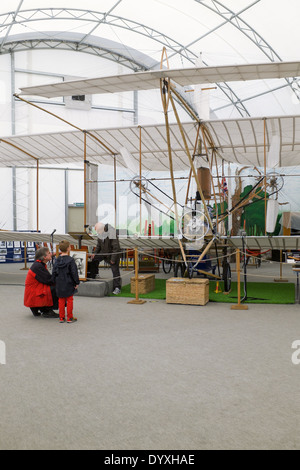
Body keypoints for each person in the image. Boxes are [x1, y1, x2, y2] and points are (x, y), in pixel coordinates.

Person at [24, 247, 59, 318]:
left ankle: (36, 308)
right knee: (56, 288)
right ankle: (47, 310)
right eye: (49, 253)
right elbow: (49, 280)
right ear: (44, 257)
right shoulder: (38, 266)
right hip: (34, 290)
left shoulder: (38, 264)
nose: (51, 254)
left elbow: (46, 279)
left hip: (34, 289)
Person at [88, 222, 122, 294]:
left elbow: (116, 248)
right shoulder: (100, 233)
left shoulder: (112, 232)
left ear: (103, 229)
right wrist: (94, 254)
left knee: (115, 270)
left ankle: (117, 287)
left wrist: (113, 259)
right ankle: (95, 274)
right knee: (94, 259)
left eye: (98, 232)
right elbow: (98, 246)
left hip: (113, 254)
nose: (98, 233)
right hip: (103, 253)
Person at [51, 240, 79, 324]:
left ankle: (61, 317)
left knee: (61, 299)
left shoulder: (57, 259)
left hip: (59, 282)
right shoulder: (71, 260)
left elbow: (54, 272)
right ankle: (69, 317)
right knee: (69, 299)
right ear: (68, 249)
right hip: (69, 282)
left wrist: (54, 280)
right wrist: (76, 282)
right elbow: (74, 272)